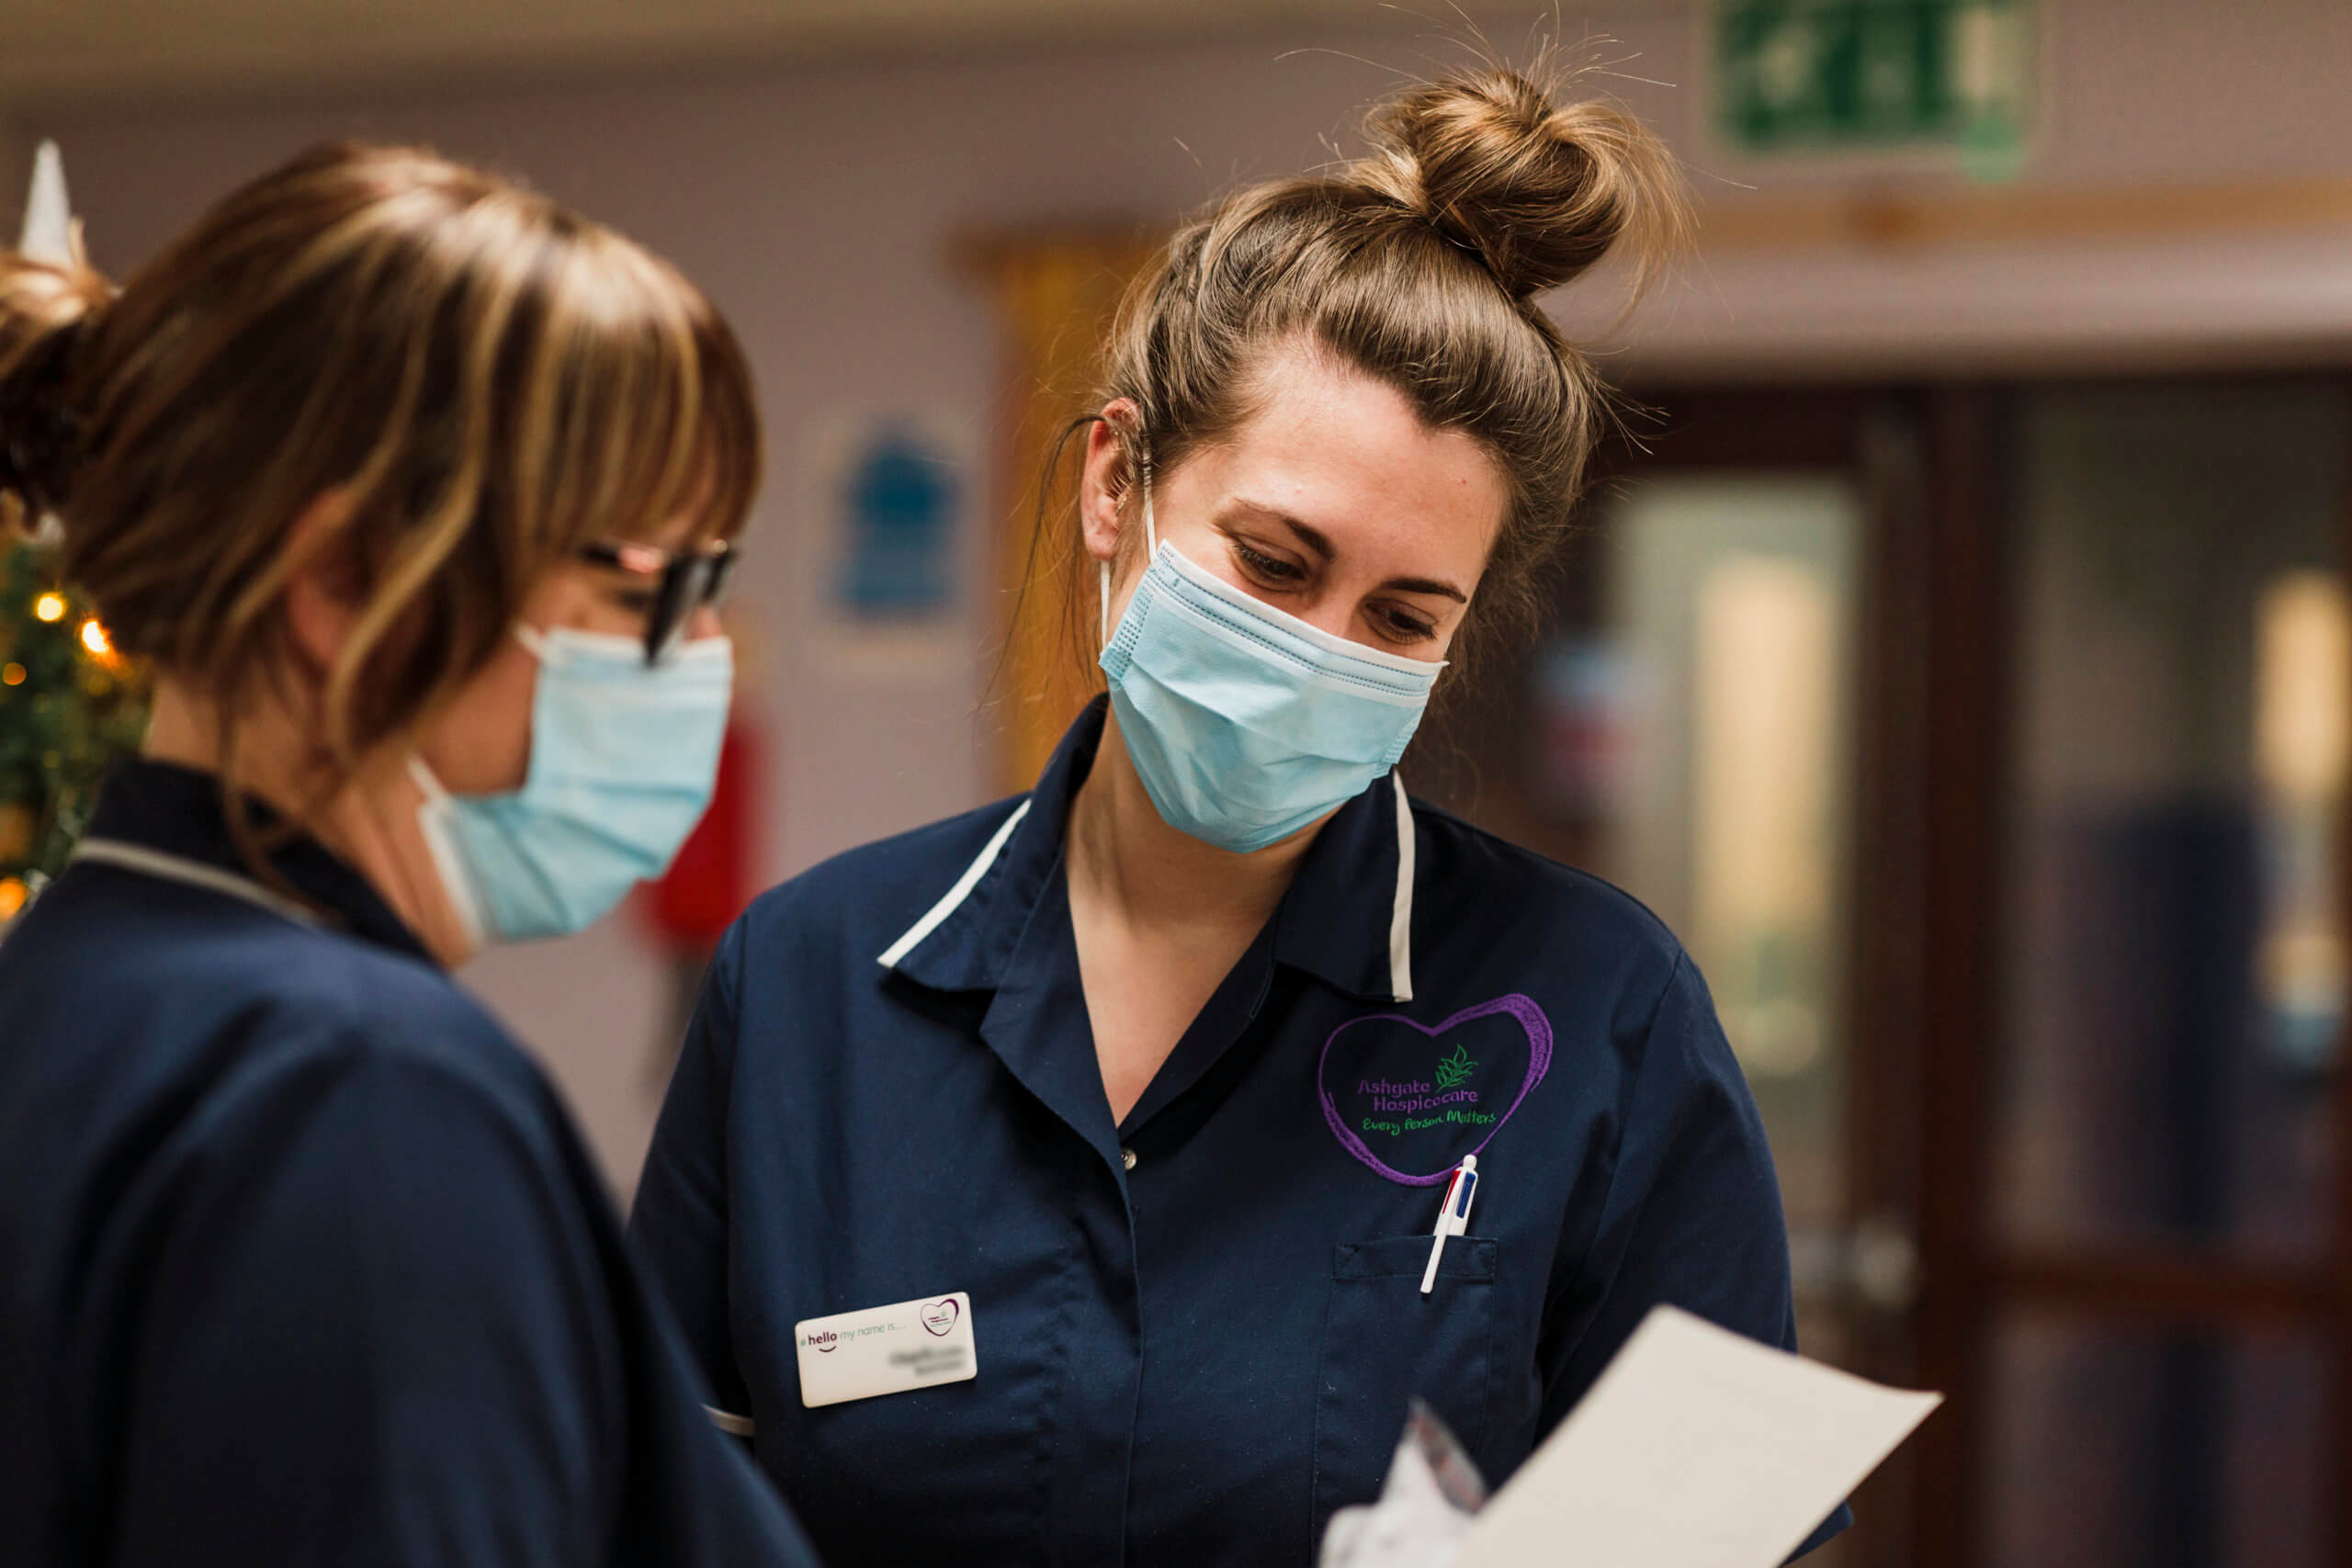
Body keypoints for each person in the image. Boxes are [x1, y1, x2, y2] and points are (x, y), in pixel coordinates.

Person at [631, 66, 1848, 1566]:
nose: (1320, 651)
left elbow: (1742, 1537)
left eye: (1401, 618)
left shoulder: (1594, 1007)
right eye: (1276, 565)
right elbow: (660, 1508)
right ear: (1113, 484)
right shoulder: (815, 985)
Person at [0, 143, 818, 1568]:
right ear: (345, 582)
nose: (706, 658)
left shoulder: (72, 984)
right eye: (665, 584)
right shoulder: (350, 1092)